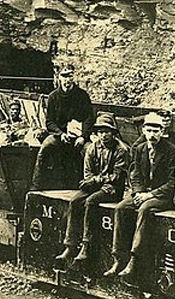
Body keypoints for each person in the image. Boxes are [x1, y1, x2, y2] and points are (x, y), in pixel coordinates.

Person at [105, 112, 175, 279]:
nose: (152, 135)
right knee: (121, 208)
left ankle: (135, 257)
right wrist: (139, 192)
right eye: (149, 130)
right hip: (142, 192)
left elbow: (173, 183)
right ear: (143, 131)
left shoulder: (172, 150)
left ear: (162, 131)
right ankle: (118, 257)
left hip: (162, 195)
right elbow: (134, 174)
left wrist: (149, 195)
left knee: (145, 209)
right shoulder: (139, 149)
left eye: (156, 131)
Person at [55, 112, 129, 263]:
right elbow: (87, 173)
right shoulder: (92, 148)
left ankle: (86, 245)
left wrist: (95, 180)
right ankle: (70, 245)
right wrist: (94, 181)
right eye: (100, 132)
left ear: (113, 133)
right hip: (97, 185)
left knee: (91, 202)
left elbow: (117, 176)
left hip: (113, 189)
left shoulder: (121, 150)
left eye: (107, 132)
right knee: (75, 201)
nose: (103, 135)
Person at [30, 64, 94, 190]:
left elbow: (89, 118)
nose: (67, 80)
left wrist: (83, 136)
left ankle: (90, 186)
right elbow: (49, 122)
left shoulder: (82, 96)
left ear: (74, 77)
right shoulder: (53, 97)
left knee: (90, 150)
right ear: (59, 78)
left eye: (70, 76)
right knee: (45, 147)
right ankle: (36, 185)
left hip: (79, 136)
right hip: (60, 136)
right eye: (64, 76)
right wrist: (60, 134)